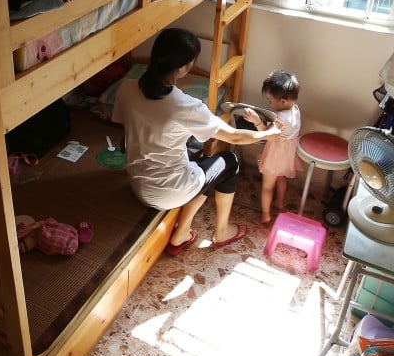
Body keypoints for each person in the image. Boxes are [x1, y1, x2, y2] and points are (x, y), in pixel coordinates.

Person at [113, 28, 283, 255]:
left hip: (138, 184)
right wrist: (266, 134)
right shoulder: (186, 106)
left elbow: (123, 137)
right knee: (229, 161)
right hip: (169, 192)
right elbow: (233, 135)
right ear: (184, 67)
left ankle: (183, 231)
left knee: (205, 163)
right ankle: (221, 232)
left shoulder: (127, 88)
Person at [243, 70, 301, 225]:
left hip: (275, 154)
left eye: (270, 101)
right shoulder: (295, 109)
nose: (269, 104)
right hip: (287, 154)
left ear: (282, 101)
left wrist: (256, 121)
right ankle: (279, 202)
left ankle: (266, 215)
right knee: (281, 178)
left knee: (267, 186)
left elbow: (265, 135)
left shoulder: (280, 120)